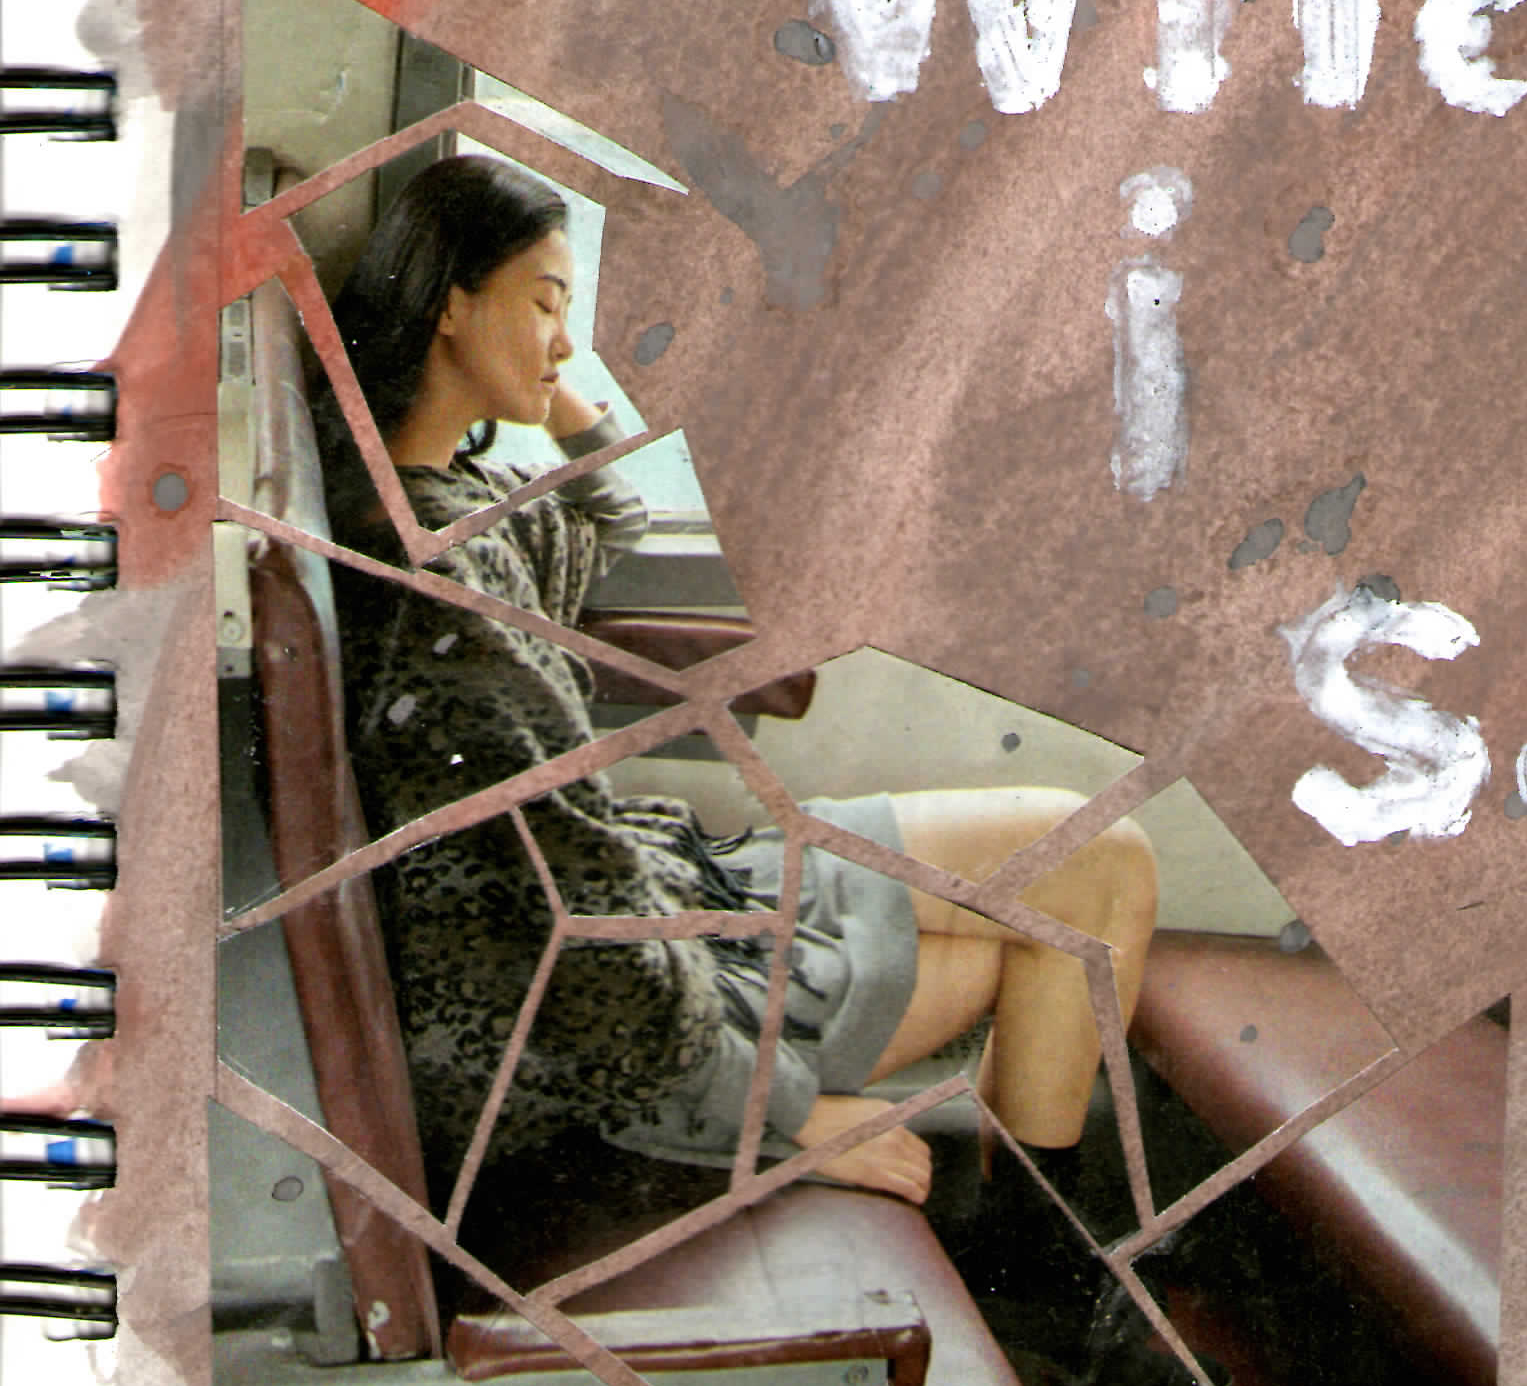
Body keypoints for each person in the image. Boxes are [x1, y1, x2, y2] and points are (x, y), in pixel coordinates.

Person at [314, 150, 1159, 1224]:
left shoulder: (446, 500)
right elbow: (560, 924)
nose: (568, 340)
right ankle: (1040, 1271)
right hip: (608, 1039)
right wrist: (791, 1114)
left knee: (1087, 867)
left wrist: (536, 374)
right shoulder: (439, 589)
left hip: (655, 919)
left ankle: (1035, 1264)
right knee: (1086, 884)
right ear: (450, 305)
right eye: (546, 303)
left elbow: (608, 521)